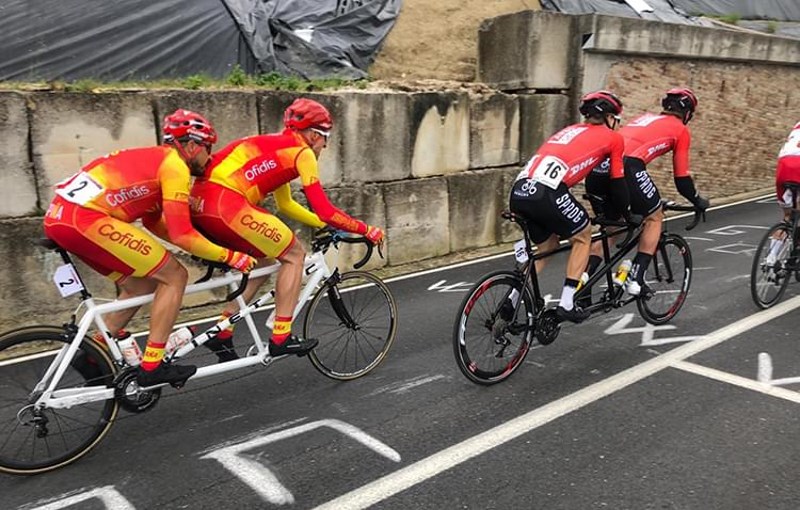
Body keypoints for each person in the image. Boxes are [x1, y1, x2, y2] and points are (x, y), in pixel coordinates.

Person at [43, 110, 256, 387]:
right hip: (86, 219)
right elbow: (182, 234)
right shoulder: (175, 167)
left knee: (140, 285)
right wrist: (231, 256)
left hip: (61, 218)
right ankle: (153, 365)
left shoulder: (156, 160)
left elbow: (154, 223)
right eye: (208, 148)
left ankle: (95, 352)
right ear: (192, 145)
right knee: (175, 276)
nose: (210, 156)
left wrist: (206, 248)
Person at [190, 98, 384, 361]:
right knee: (294, 255)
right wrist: (365, 229)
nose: (325, 145)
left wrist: (322, 225)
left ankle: (223, 331)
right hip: (226, 204)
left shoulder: (277, 146)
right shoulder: (303, 153)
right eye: (325, 138)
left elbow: (285, 204)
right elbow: (325, 208)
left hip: (201, 205)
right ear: (315, 135)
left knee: (261, 263)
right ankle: (281, 336)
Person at [508, 90, 633, 323]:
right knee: (583, 236)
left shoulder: (569, 130)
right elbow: (617, 181)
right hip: (547, 192)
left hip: (519, 190)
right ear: (608, 117)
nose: (616, 124)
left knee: (548, 245)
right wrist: (626, 214)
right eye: (616, 118)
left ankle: (512, 298)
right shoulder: (613, 138)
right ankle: (567, 302)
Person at [584, 87, 709, 296]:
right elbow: (681, 179)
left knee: (611, 229)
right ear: (687, 114)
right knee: (654, 216)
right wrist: (697, 200)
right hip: (628, 167)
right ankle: (636, 278)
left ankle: (581, 282)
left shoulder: (644, 118)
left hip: (598, 170)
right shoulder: (680, 129)